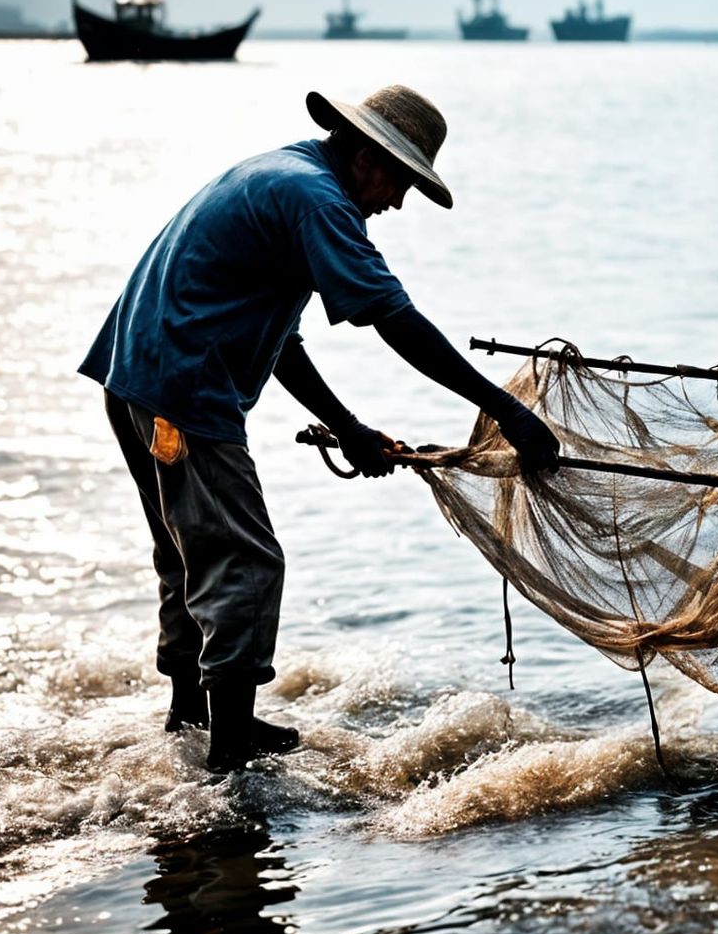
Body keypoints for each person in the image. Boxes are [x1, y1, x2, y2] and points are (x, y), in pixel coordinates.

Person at [79, 85, 560, 774]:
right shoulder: (316, 197)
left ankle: (190, 714)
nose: (395, 202)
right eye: (399, 181)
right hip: (180, 393)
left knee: (188, 553)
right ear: (366, 154)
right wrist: (507, 410)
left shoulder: (283, 174)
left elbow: (283, 342)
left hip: (136, 376)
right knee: (245, 561)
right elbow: (392, 315)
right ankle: (228, 754)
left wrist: (349, 425)